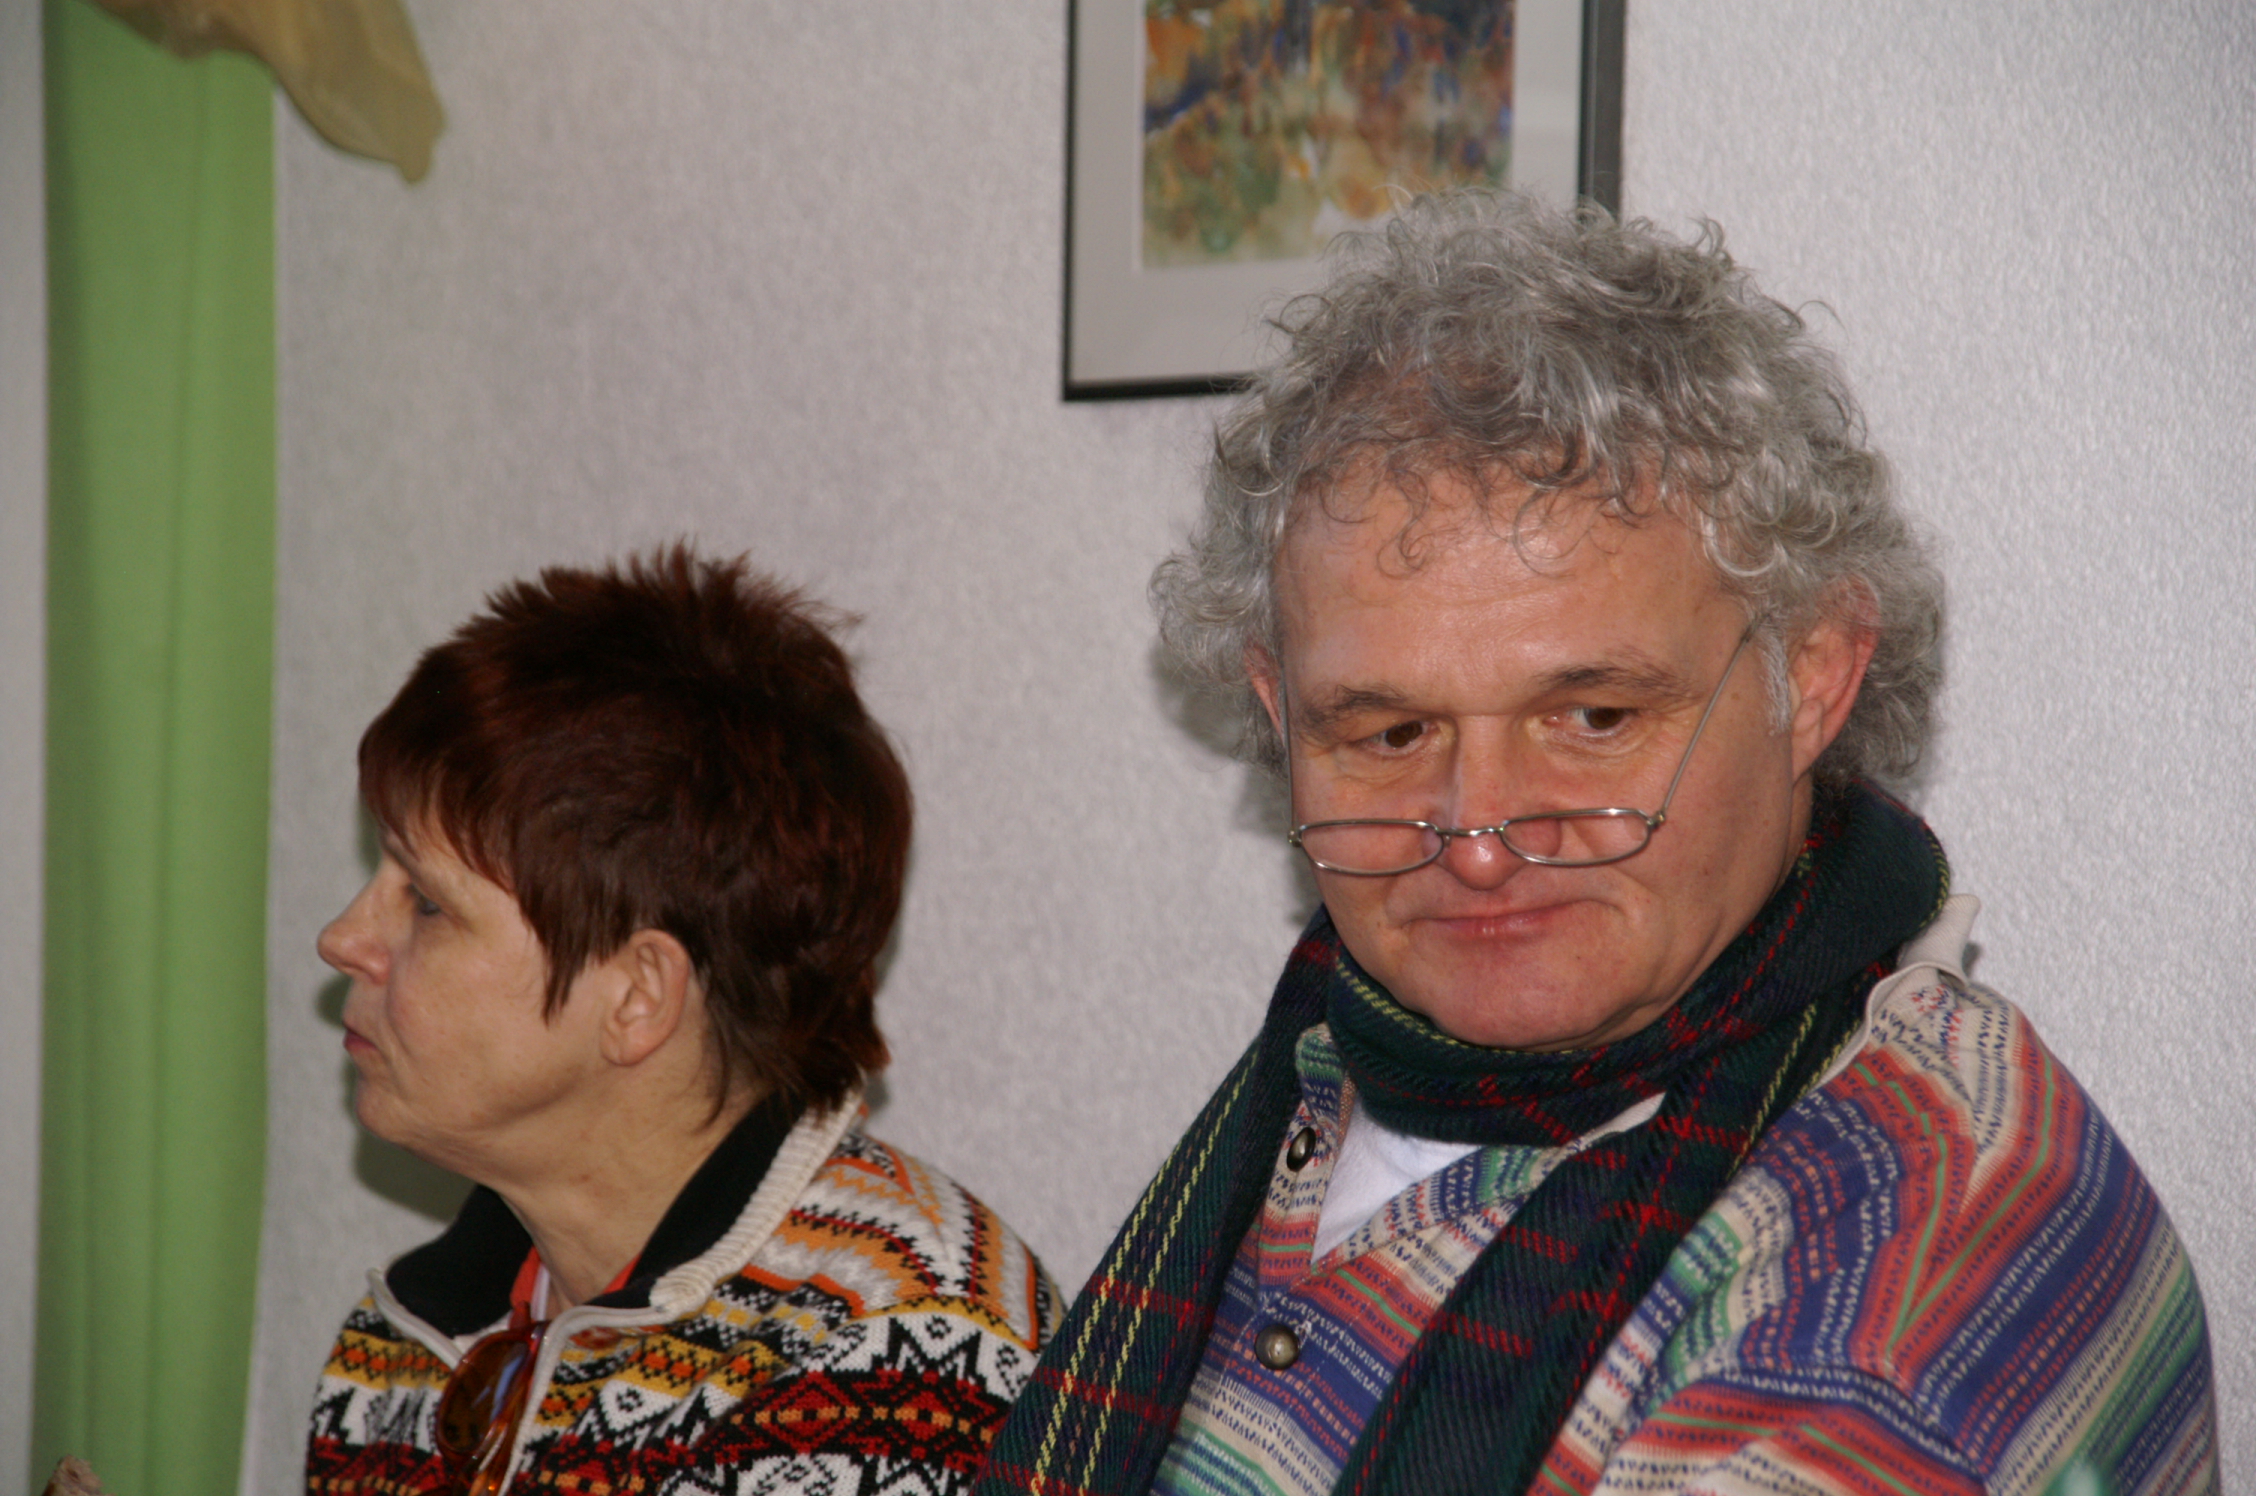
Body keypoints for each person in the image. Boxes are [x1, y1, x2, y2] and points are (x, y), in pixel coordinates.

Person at [975, 196, 2217, 1496]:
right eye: (1390, 733)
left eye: (1595, 718)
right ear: (1280, 713)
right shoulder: (1349, 1047)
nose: (1479, 843)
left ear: (1816, 675)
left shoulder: (1896, 1291)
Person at [306, 547, 1057, 1493]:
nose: (342, 940)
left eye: (426, 902)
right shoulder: (408, 1341)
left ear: (638, 996)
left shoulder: (899, 1358)